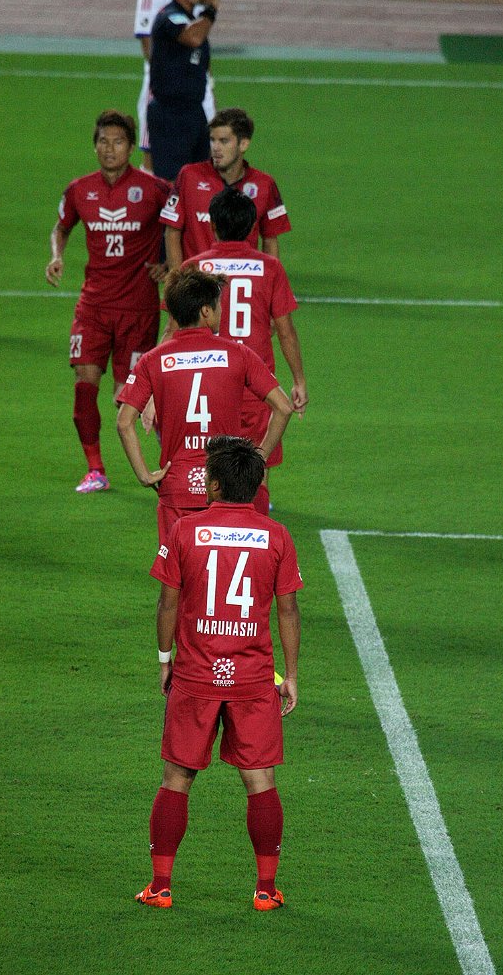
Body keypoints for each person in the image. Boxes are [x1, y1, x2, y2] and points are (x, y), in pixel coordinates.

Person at [136, 434, 302, 910]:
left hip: (195, 675)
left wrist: (164, 659)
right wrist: (290, 675)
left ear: (211, 484)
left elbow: (168, 602)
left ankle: (161, 886)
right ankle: (266, 890)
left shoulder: (184, 531)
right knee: (260, 781)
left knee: (176, 777)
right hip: (253, 678)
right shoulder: (276, 535)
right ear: (257, 485)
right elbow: (287, 610)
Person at [116, 267, 293, 542]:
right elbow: (284, 407)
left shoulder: (152, 360)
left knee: (176, 568)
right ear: (206, 312)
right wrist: (259, 457)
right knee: (222, 566)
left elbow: (124, 422)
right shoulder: (239, 354)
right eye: (219, 305)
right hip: (226, 486)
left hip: (177, 488)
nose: (221, 312)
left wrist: (144, 474)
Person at [45, 110, 170, 493]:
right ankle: (95, 470)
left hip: (138, 309)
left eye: (118, 142)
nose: (109, 149)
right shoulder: (79, 190)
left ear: (131, 148)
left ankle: (173, 464)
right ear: (95, 146)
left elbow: (180, 226)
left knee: (128, 398)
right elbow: (61, 227)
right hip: (94, 307)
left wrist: (168, 262)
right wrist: (56, 256)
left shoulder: (155, 189)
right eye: (103, 141)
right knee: (84, 383)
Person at [166, 186, 308, 514]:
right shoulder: (270, 267)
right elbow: (285, 331)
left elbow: (173, 330)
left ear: (212, 225)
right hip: (257, 389)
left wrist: (151, 395)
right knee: (257, 475)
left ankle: (208, 535)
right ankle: (253, 531)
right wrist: (299, 380)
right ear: (252, 227)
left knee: (208, 471)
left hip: (208, 388)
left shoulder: (194, 267)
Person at [161, 107, 291, 270]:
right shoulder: (189, 176)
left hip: (241, 279)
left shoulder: (264, 184)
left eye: (223, 141)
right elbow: (172, 232)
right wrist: (178, 280)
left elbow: (270, 239)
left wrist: (270, 278)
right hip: (199, 282)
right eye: (212, 140)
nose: (215, 148)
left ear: (243, 144)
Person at [133, 0, 215, 175]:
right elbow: (190, 38)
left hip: (194, 104)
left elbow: (201, 52)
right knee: (163, 174)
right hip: (169, 105)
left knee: (202, 174)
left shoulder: (195, 8)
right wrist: (165, 75)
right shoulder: (164, 6)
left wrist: (207, 85)